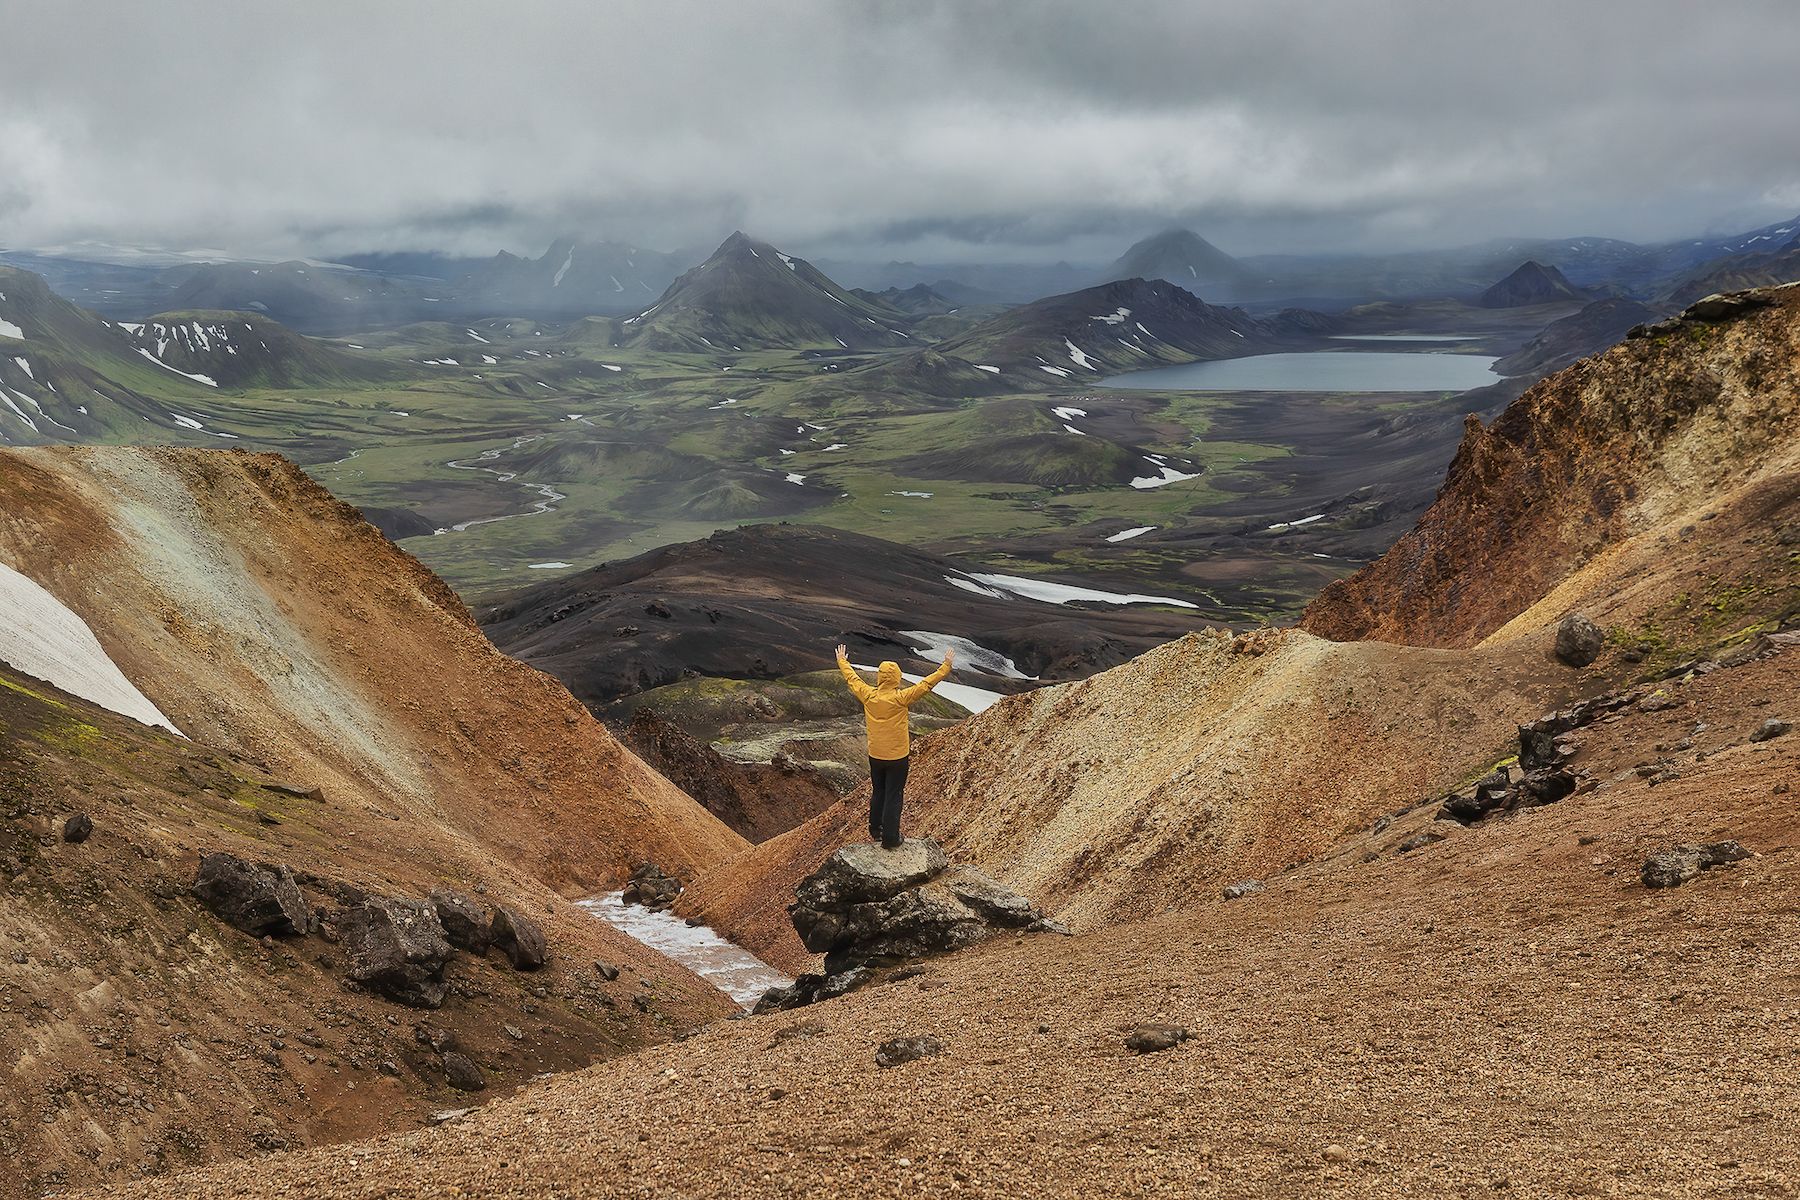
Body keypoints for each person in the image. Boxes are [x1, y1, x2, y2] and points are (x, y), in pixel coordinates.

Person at [835, 643, 953, 849]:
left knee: (878, 791)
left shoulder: (869, 695)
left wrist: (842, 661)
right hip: (897, 757)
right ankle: (890, 838)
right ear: (897, 678)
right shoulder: (901, 698)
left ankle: (875, 829)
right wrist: (946, 666)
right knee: (893, 795)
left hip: (875, 755)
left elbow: (852, 679)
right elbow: (926, 685)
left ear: (880, 678)